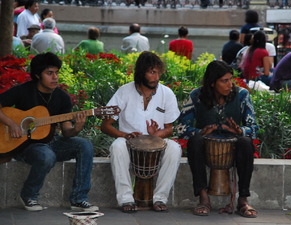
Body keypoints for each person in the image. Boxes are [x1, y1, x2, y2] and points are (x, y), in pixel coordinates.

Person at [0, 52, 99, 212]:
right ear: (38, 75)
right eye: (49, 73)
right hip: (26, 145)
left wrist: (76, 129)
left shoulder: (62, 98)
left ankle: (78, 199)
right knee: (47, 156)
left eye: (57, 73)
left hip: (52, 141)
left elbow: (66, 131)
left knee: (85, 145)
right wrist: (12, 124)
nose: (55, 77)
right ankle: (29, 195)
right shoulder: (23, 91)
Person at [100, 51, 182, 213]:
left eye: (158, 72)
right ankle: (126, 199)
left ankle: (160, 198)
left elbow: (170, 128)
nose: (157, 77)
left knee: (174, 148)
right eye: (152, 72)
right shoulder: (124, 91)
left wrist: (156, 135)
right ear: (141, 72)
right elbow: (106, 125)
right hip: (128, 142)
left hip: (156, 144)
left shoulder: (167, 93)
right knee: (117, 146)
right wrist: (125, 135)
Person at [176, 60, 258, 218]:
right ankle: (203, 198)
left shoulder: (242, 95)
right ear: (212, 83)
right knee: (195, 141)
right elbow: (181, 128)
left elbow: (254, 128)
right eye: (224, 81)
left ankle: (243, 199)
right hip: (205, 148)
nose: (230, 85)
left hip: (234, 148)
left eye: (231, 80)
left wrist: (240, 130)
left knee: (246, 142)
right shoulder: (196, 95)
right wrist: (200, 131)